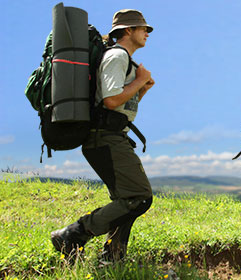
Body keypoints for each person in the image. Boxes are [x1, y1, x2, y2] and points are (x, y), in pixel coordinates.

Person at [50, 9, 156, 264]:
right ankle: (72, 234)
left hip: (111, 136)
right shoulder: (117, 56)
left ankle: (113, 257)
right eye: (143, 29)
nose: (147, 34)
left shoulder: (124, 60)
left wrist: (140, 90)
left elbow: (120, 104)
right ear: (128, 30)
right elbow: (110, 101)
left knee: (127, 198)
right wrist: (139, 80)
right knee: (138, 197)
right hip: (105, 138)